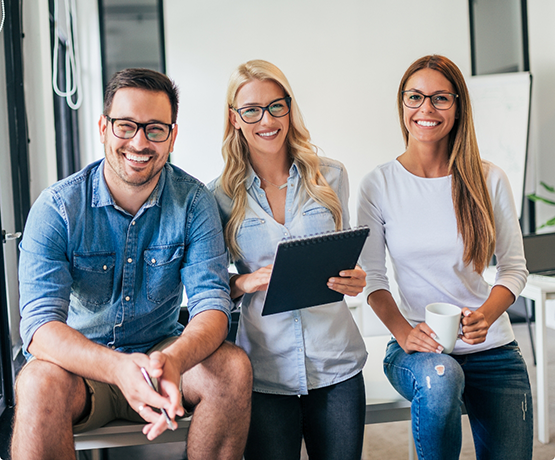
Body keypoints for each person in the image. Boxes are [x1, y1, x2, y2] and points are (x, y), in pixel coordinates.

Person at [11, 68, 252, 460]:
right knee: (36, 380)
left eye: (155, 129)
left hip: (162, 359)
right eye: (126, 126)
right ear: (104, 128)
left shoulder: (193, 203)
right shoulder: (57, 208)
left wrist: (173, 359)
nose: (139, 142)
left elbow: (213, 306)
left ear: (172, 136)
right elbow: (39, 328)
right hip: (82, 369)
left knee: (232, 367)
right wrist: (118, 368)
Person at [357, 54, 533, 460]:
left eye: (440, 98)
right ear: (402, 105)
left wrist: (487, 314)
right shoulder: (378, 184)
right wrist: (404, 333)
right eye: (415, 97)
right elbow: (374, 278)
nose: (426, 109)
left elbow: (513, 268)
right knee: (441, 376)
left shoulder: (488, 179)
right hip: (419, 352)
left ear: (458, 107)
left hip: (493, 349)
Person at [209, 59, 368, 460]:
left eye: (276, 105)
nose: (267, 119)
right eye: (252, 110)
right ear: (235, 118)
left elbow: (344, 256)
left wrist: (355, 278)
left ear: (289, 107)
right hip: (265, 370)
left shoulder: (330, 177)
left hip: (336, 363)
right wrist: (245, 282)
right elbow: (208, 286)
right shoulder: (218, 196)